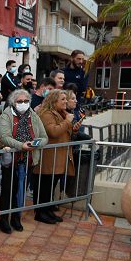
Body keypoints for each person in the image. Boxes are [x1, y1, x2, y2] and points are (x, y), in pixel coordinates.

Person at [0, 88, 48, 234]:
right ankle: (4, 219)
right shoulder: (6, 115)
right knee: (8, 190)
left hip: (29, 159)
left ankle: (16, 218)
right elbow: (4, 136)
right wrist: (21, 145)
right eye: (20, 101)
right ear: (14, 102)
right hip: (11, 159)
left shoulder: (33, 115)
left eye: (26, 101)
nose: (23, 104)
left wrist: (37, 143)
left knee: (20, 190)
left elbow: (45, 136)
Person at [34, 89, 76, 225]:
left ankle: (47, 210)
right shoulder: (46, 114)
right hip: (49, 157)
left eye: (66, 99)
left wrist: (73, 127)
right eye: (62, 99)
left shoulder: (60, 113)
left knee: (51, 185)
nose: (66, 102)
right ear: (53, 101)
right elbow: (53, 131)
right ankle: (41, 213)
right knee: (45, 185)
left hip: (59, 156)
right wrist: (68, 122)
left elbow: (63, 131)